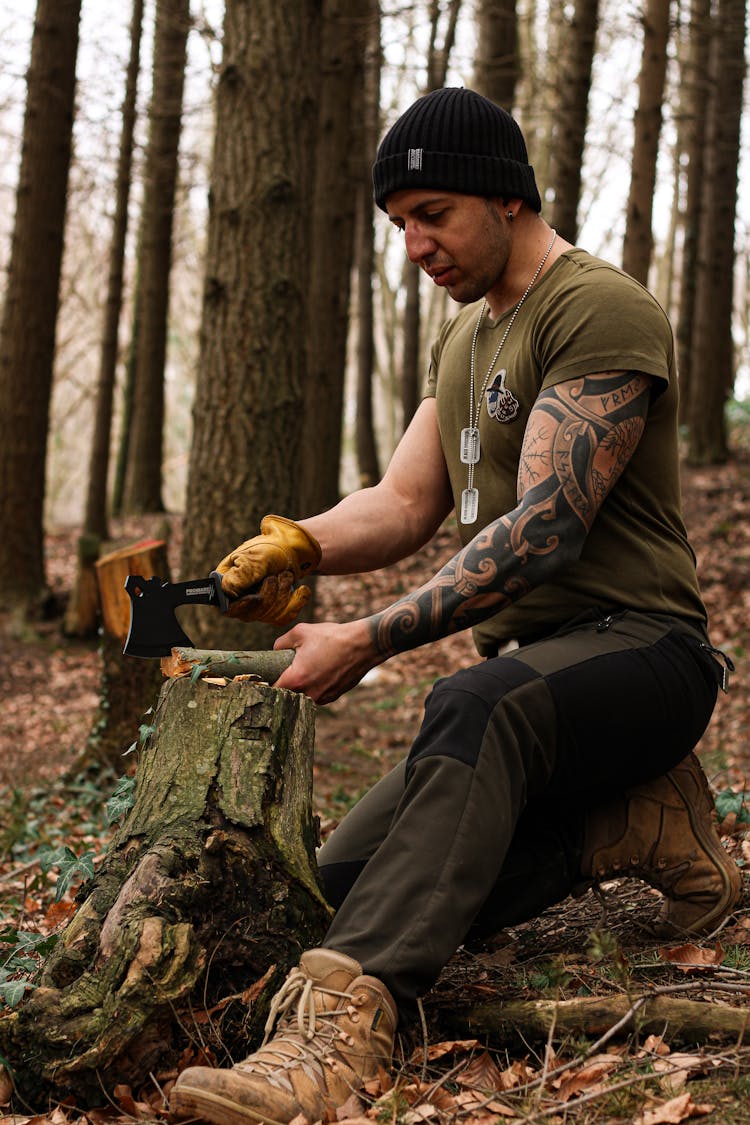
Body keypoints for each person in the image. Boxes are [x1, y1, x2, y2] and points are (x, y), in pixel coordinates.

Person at [171, 87, 741, 1125]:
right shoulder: (465, 342)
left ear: (509, 198)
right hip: (535, 675)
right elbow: (401, 504)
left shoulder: (595, 307)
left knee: (474, 702)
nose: (415, 244)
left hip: (643, 656)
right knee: (339, 892)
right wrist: (293, 544)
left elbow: (545, 529)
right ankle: (622, 823)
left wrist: (370, 637)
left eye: (434, 213)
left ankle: (338, 1042)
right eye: (400, 224)